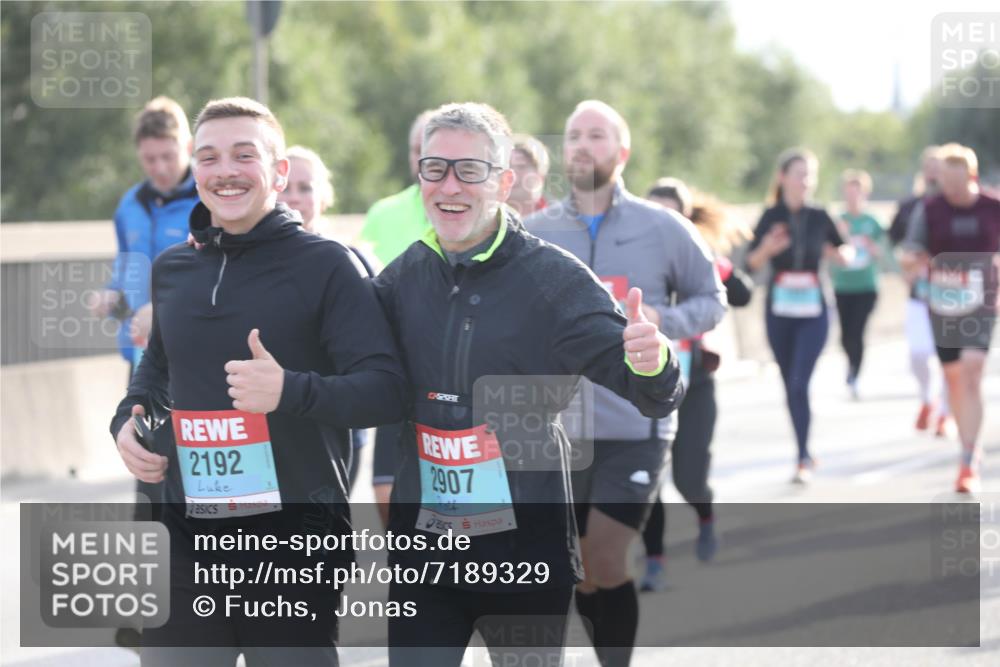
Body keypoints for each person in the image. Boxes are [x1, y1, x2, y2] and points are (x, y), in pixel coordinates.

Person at [373, 102, 684, 667]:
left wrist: (652, 358)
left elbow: (654, 394)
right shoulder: (402, 278)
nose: (450, 186)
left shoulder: (553, 280)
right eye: (435, 168)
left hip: (523, 557)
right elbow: (352, 376)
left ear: (503, 182)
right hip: (427, 557)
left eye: (470, 170)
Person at [109, 97, 407, 665]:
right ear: (195, 170)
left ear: (278, 172)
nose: (225, 171)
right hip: (185, 541)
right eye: (210, 157)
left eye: (244, 155)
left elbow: (386, 389)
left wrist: (290, 390)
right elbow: (159, 367)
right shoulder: (174, 267)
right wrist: (128, 416)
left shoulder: (329, 265)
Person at [527, 103, 726, 667]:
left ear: (623, 152)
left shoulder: (663, 228)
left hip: (638, 422)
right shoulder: (537, 232)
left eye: (597, 135)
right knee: (576, 569)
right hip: (557, 429)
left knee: (604, 558)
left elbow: (713, 300)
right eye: (573, 136)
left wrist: (663, 325)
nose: (582, 145)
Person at [640, 177, 754, 592]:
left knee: (688, 478)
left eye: (672, 214)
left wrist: (718, 267)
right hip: (644, 385)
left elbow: (742, 294)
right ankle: (655, 561)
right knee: (648, 476)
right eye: (654, 213)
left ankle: (705, 516)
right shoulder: (633, 260)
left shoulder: (698, 257)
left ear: (686, 220)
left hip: (695, 384)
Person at [745, 148, 851, 484]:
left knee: (799, 382)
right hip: (779, 309)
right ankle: (803, 449)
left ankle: (803, 456)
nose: (805, 181)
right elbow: (750, 263)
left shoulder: (821, 215)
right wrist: (769, 249)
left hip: (814, 309)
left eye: (810, 175)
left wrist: (838, 255)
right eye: (799, 174)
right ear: (783, 177)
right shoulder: (770, 215)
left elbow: (845, 250)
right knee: (789, 385)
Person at [277, 144, 379, 491]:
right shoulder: (238, 264)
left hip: (339, 433)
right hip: (270, 435)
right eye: (285, 187)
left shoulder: (353, 264)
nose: (294, 198)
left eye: (305, 188)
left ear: (324, 197)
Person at [901, 143, 1000, 493]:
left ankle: (968, 457)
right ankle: (966, 443)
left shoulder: (993, 207)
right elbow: (910, 251)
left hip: (983, 301)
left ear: (972, 177)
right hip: (942, 303)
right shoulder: (929, 209)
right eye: (945, 183)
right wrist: (911, 263)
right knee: (955, 379)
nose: (951, 191)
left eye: (957, 184)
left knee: (973, 370)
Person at [361, 110, 435, 526]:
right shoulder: (383, 212)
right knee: (387, 496)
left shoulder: (471, 211)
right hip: (395, 374)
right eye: (416, 151)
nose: (422, 159)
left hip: (451, 384)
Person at [890, 147, 954, 436]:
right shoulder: (909, 206)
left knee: (949, 359)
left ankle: (945, 414)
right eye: (928, 166)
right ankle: (928, 398)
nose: (933, 172)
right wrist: (905, 269)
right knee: (917, 354)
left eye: (938, 166)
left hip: (953, 293)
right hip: (919, 291)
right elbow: (895, 243)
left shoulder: (957, 205)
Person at [829, 169, 886, 399]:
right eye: (848, 193)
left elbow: (885, 251)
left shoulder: (873, 221)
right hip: (843, 285)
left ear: (865, 194)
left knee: (858, 330)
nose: (852, 197)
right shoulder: (838, 221)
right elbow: (827, 249)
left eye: (856, 193)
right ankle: (851, 364)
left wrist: (874, 249)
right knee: (844, 335)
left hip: (866, 285)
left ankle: (854, 374)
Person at [507, 133, 550, 217]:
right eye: (508, 166)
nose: (512, 173)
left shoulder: (559, 221)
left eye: (521, 166)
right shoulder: (484, 221)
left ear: (540, 176)